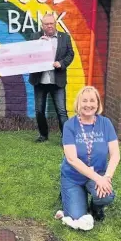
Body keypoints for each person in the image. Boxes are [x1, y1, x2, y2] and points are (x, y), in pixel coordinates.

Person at [60, 86, 120, 227]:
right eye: (84, 101)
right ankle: (67, 192)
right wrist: (98, 179)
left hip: (98, 174)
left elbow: (115, 154)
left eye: (92, 101)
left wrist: (106, 177)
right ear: (78, 104)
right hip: (73, 177)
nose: (88, 105)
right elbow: (72, 159)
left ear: (98, 104)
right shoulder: (69, 125)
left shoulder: (106, 123)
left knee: (106, 196)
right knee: (76, 216)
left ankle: (96, 207)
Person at [29, 13, 74, 143]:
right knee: (39, 110)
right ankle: (43, 135)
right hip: (40, 80)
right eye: (46, 24)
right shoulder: (35, 37)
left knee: (61, 111)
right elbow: (29, 54)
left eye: (51, 23)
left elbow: (70, 54)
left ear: (55, 24)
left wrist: (62, 63)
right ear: (42, 25)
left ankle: (66, 138)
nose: (49, 26)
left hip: (57, 80)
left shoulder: (64, 37)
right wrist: (38, 44)